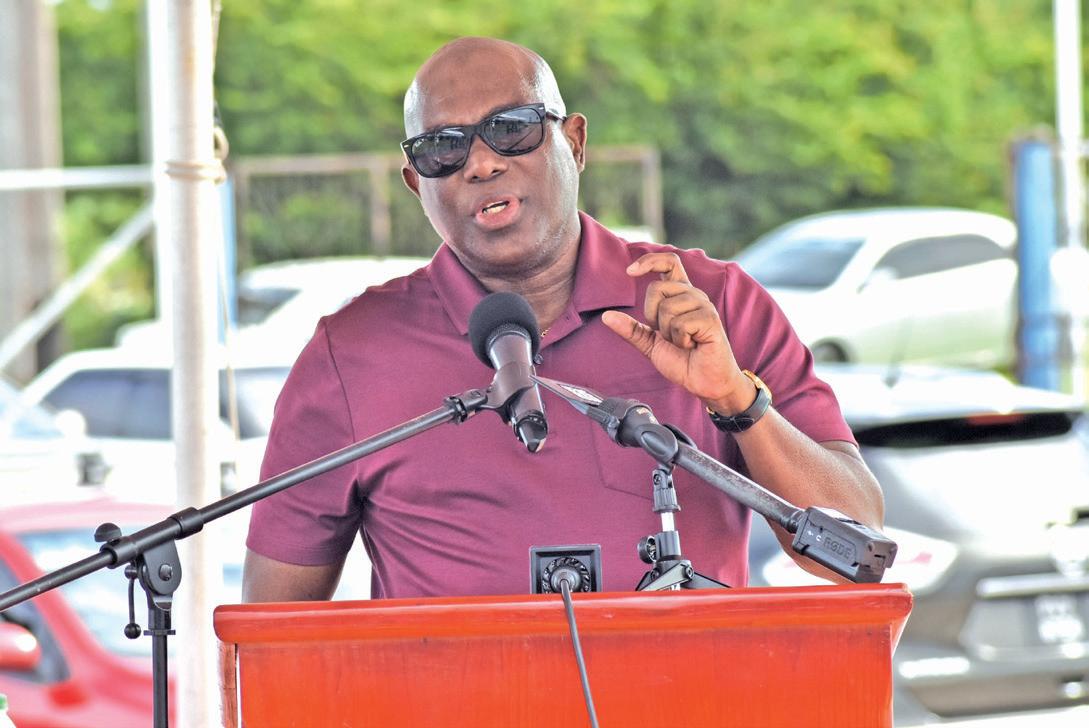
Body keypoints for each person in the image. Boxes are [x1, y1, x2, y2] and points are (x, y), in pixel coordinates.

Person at [242, 37, 884, 602]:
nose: (481, 163)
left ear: (574, 143)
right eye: (444, 148)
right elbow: (267, 634)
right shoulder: (352, 353)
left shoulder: (709, 302)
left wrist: (735, 400)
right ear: (417, 184)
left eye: (512, 128)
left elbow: (856, 550)